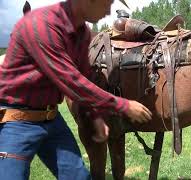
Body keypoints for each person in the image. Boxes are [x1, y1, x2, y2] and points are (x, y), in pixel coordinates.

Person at [0, 0, 152, 179]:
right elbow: (72, 82)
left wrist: (94, 115)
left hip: (51, 119)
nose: (108, 10)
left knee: (78, 176)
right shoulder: (41, 26)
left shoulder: (81, 34)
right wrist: (123, 105)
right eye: (105, 3)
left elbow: (87, 77)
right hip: (17, 122)